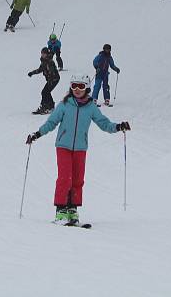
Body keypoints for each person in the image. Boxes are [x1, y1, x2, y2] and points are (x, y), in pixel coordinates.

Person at [26, 75, 131, 225]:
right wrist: (37, 134)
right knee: (64, 177)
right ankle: (61, 210)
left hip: (80, 148)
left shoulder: (91, 108)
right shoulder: (64, 105)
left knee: (77, 179)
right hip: (63, 146)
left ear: (87, 88)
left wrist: (118, 127)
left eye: (81, 86)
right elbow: (51, 122)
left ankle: (72, 209)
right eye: (74, 86)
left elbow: (103, 123)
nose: (77, 89)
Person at [28, 47, 60, 114]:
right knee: (46, 92)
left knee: (44, 92)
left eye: (44, 54)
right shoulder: (44, 61)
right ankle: (50, 106)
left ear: (47, 54)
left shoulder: (49, 62)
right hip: (51, 79)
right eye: (42, 53)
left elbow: (52, 72)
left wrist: (50, 80)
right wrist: (32, 73)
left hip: (54, 79)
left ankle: (45, 107)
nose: (42, 55)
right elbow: (40, 69)